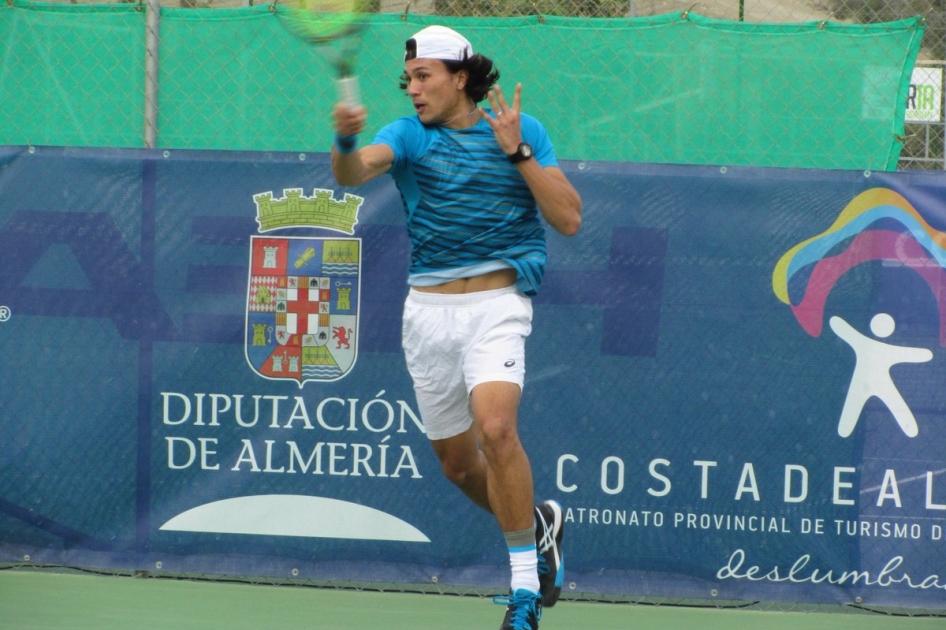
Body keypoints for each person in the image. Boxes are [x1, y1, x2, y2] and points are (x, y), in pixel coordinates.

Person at [331, 25, 582, 630]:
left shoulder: (525, 132)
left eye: (425, 77)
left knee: (497, 432)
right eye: (409, 79)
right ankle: (540, 525)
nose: (414, 90)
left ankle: (524, 592)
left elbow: (568, 219)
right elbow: (355, 172)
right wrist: (344, 139)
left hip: (498, 306)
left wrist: (517, 151)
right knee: (459, 466)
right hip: (428, 316)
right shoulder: (409, 134)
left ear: (459, 78)